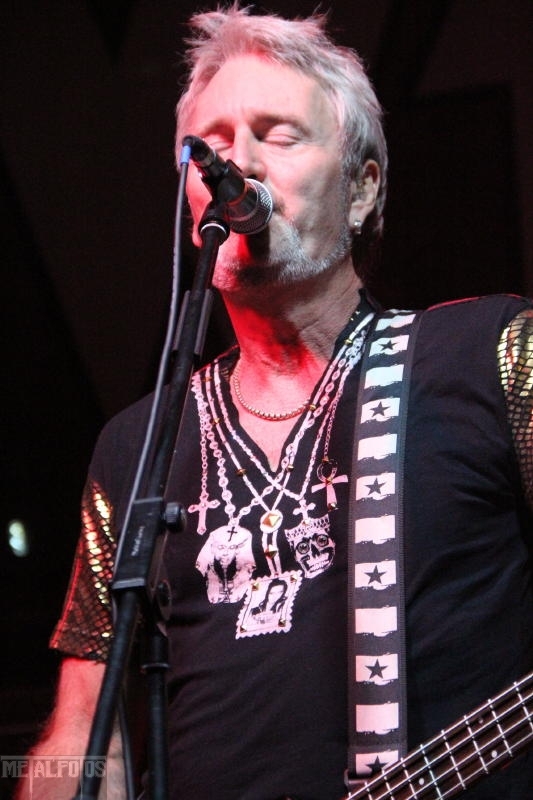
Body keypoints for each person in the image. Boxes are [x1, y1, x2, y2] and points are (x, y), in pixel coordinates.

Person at [16, 5, 533, 800]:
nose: (239, 163)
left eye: (279, 135)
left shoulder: (487, 354)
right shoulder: (138, 444)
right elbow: (88, 732)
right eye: (212, 144)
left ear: (361, 191)